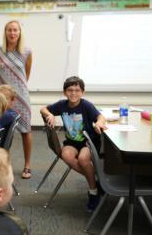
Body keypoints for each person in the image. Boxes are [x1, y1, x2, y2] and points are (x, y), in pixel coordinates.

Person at [40, 76, 107, 212]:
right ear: (65, 92)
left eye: (77, 90)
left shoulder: (86, 105)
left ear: (82, 92)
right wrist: (50, 115)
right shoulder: (62, 105)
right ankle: (96, 182)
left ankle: (93, 191)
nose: (73, 93)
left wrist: (99, 123)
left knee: (83, 159)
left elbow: (100, 117)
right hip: (72, 142)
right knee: (66, 155)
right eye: (70, 90)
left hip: (89, 141)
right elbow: (43, 109)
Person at [0, 20, 33, 179]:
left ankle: (27, 165)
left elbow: (26, 74)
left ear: (20, 32)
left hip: (21, 96)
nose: (12, 33)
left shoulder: (27, 52)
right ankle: (1, 165)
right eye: (9, 30)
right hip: (1, 97)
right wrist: (6, 90)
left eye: (15, 30)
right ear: (5, 32)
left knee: (26, 130)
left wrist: (17, 87)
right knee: (0, 131)